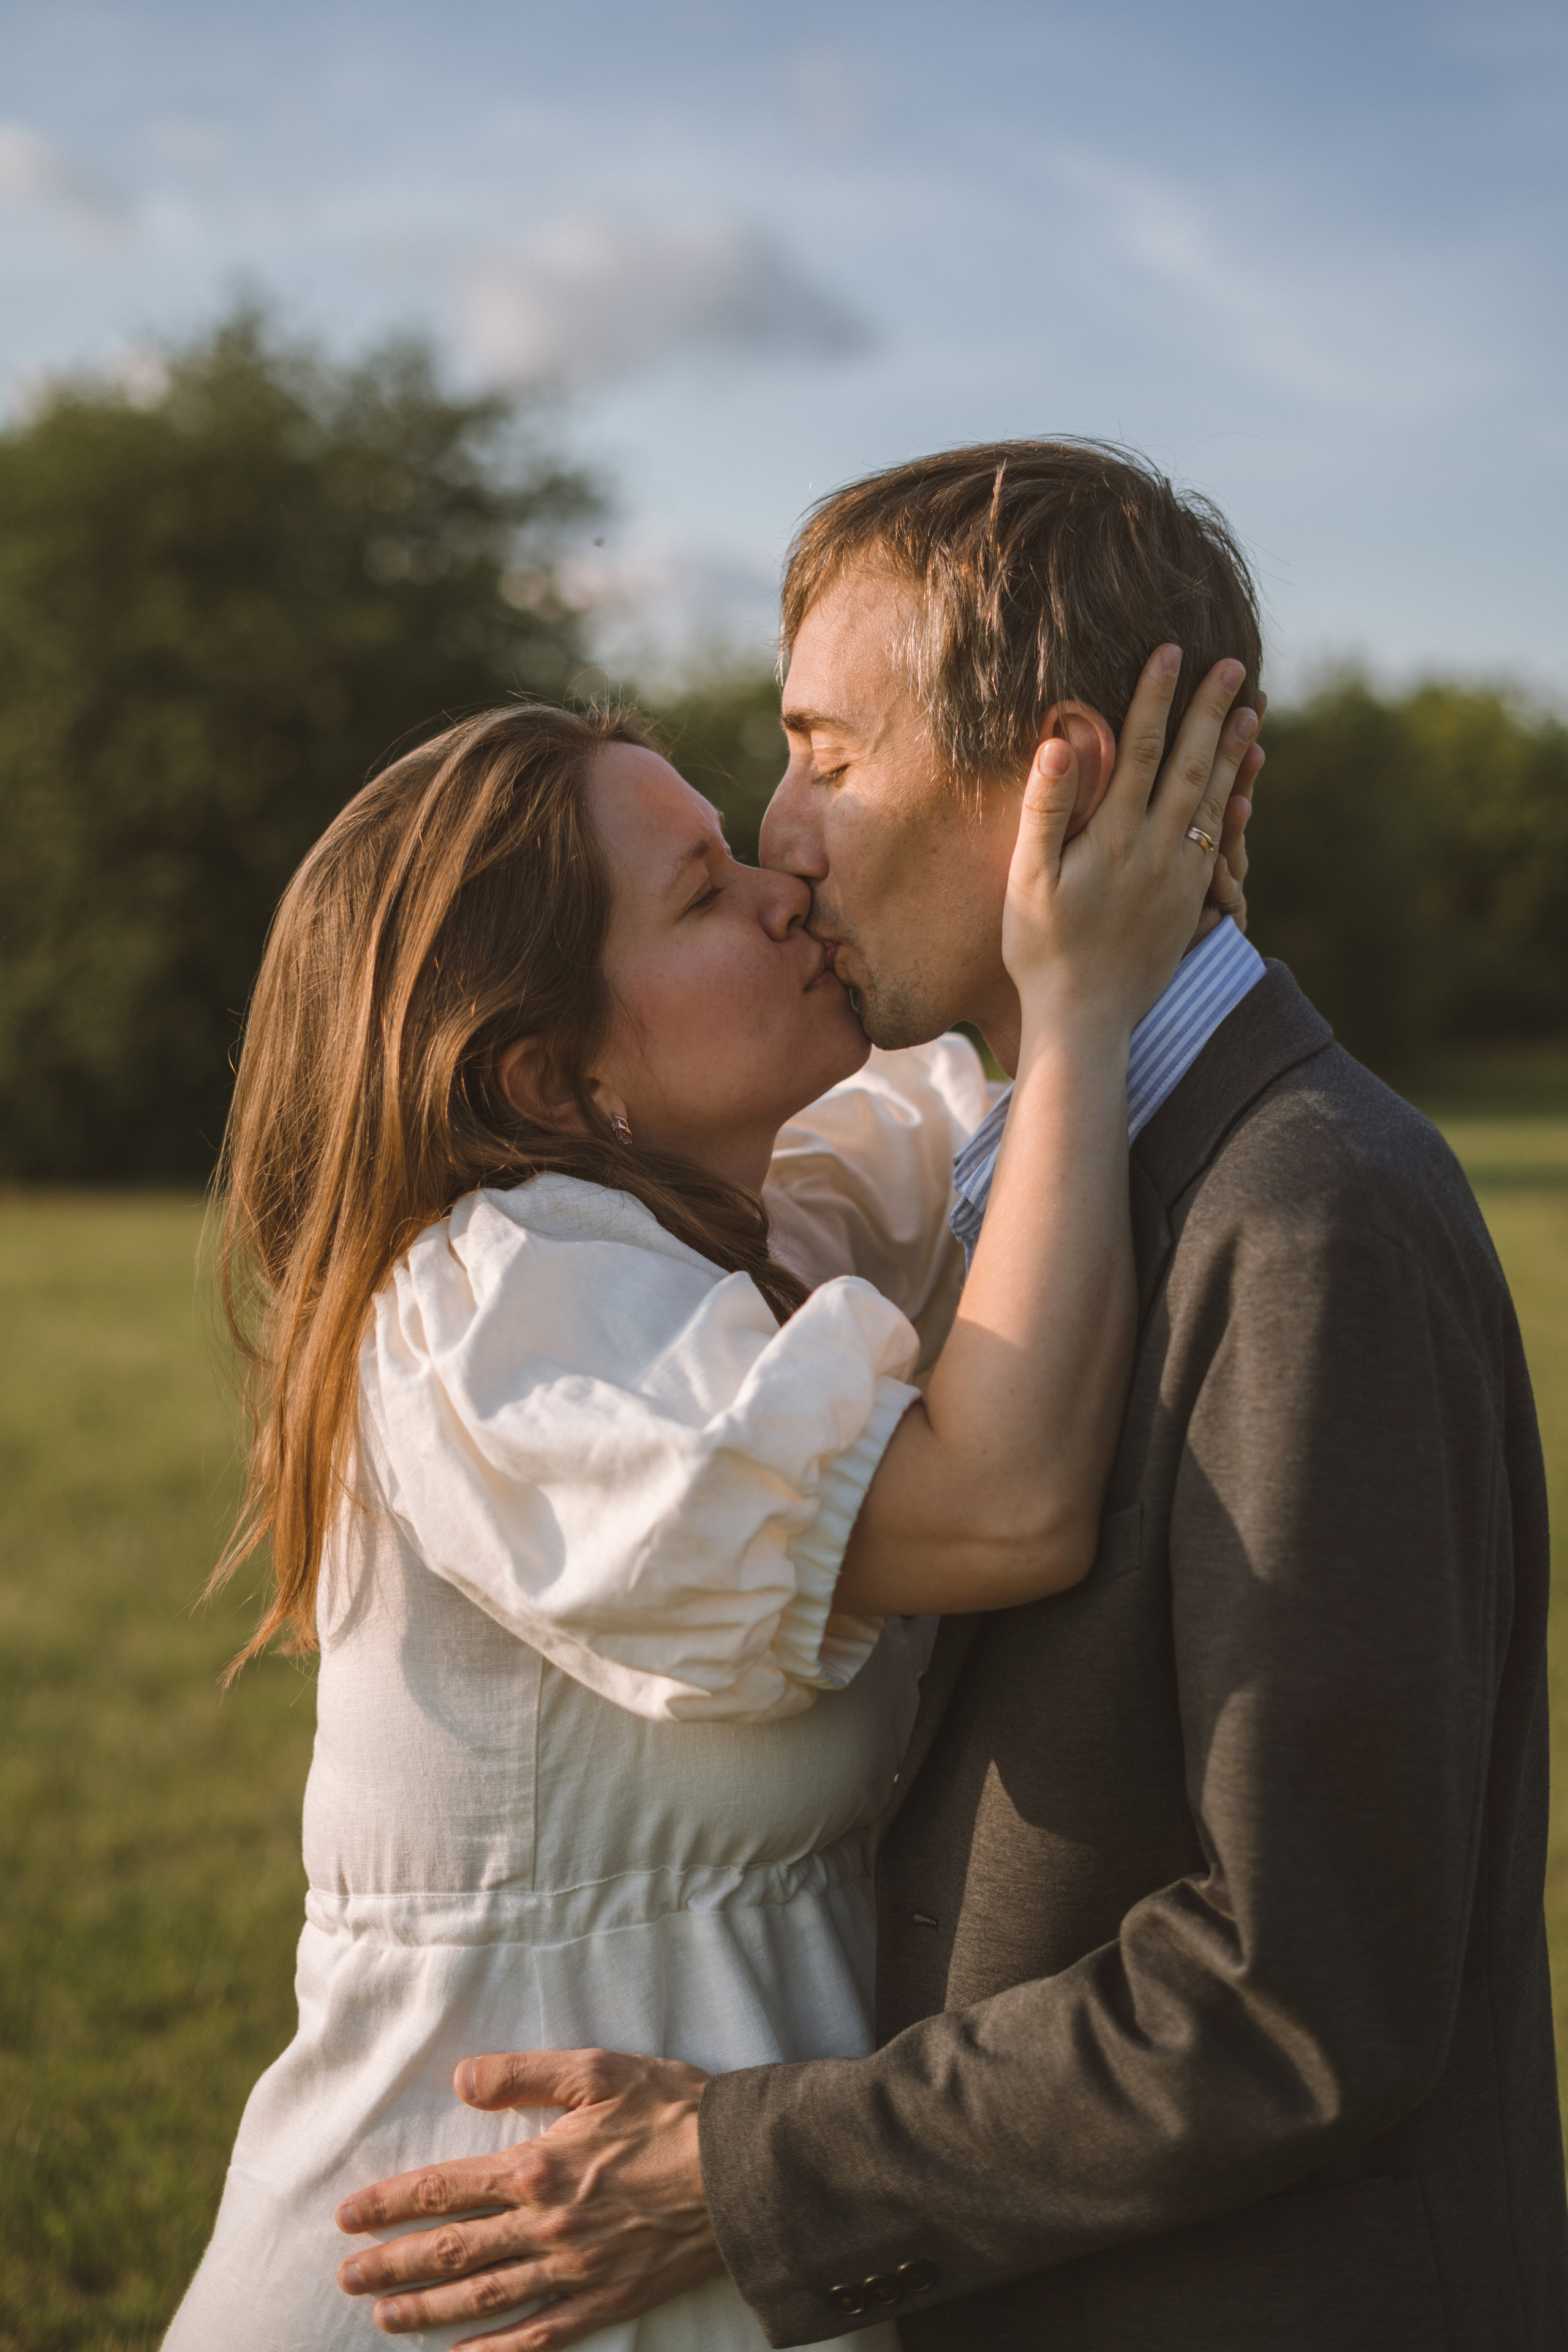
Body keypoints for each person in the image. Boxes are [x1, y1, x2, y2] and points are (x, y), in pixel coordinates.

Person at [338, 443, 1568, 2352]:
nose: (787, 831)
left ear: (1058, 773)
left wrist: (749, 2174)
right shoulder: (1030, 1191)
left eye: (827, 751)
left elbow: (1302, 1988)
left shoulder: (1303, 1212)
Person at [162, 627, 1257, 2350]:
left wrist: (1108, 895)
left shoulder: (761, 1227)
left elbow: (996, 1139)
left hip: (701, 2231)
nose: (782, 888)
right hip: (476, 2268)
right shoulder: (503, 1302)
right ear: (549, 1079)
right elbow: (1003, 1501)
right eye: (699, 896)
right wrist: (1086, 996)